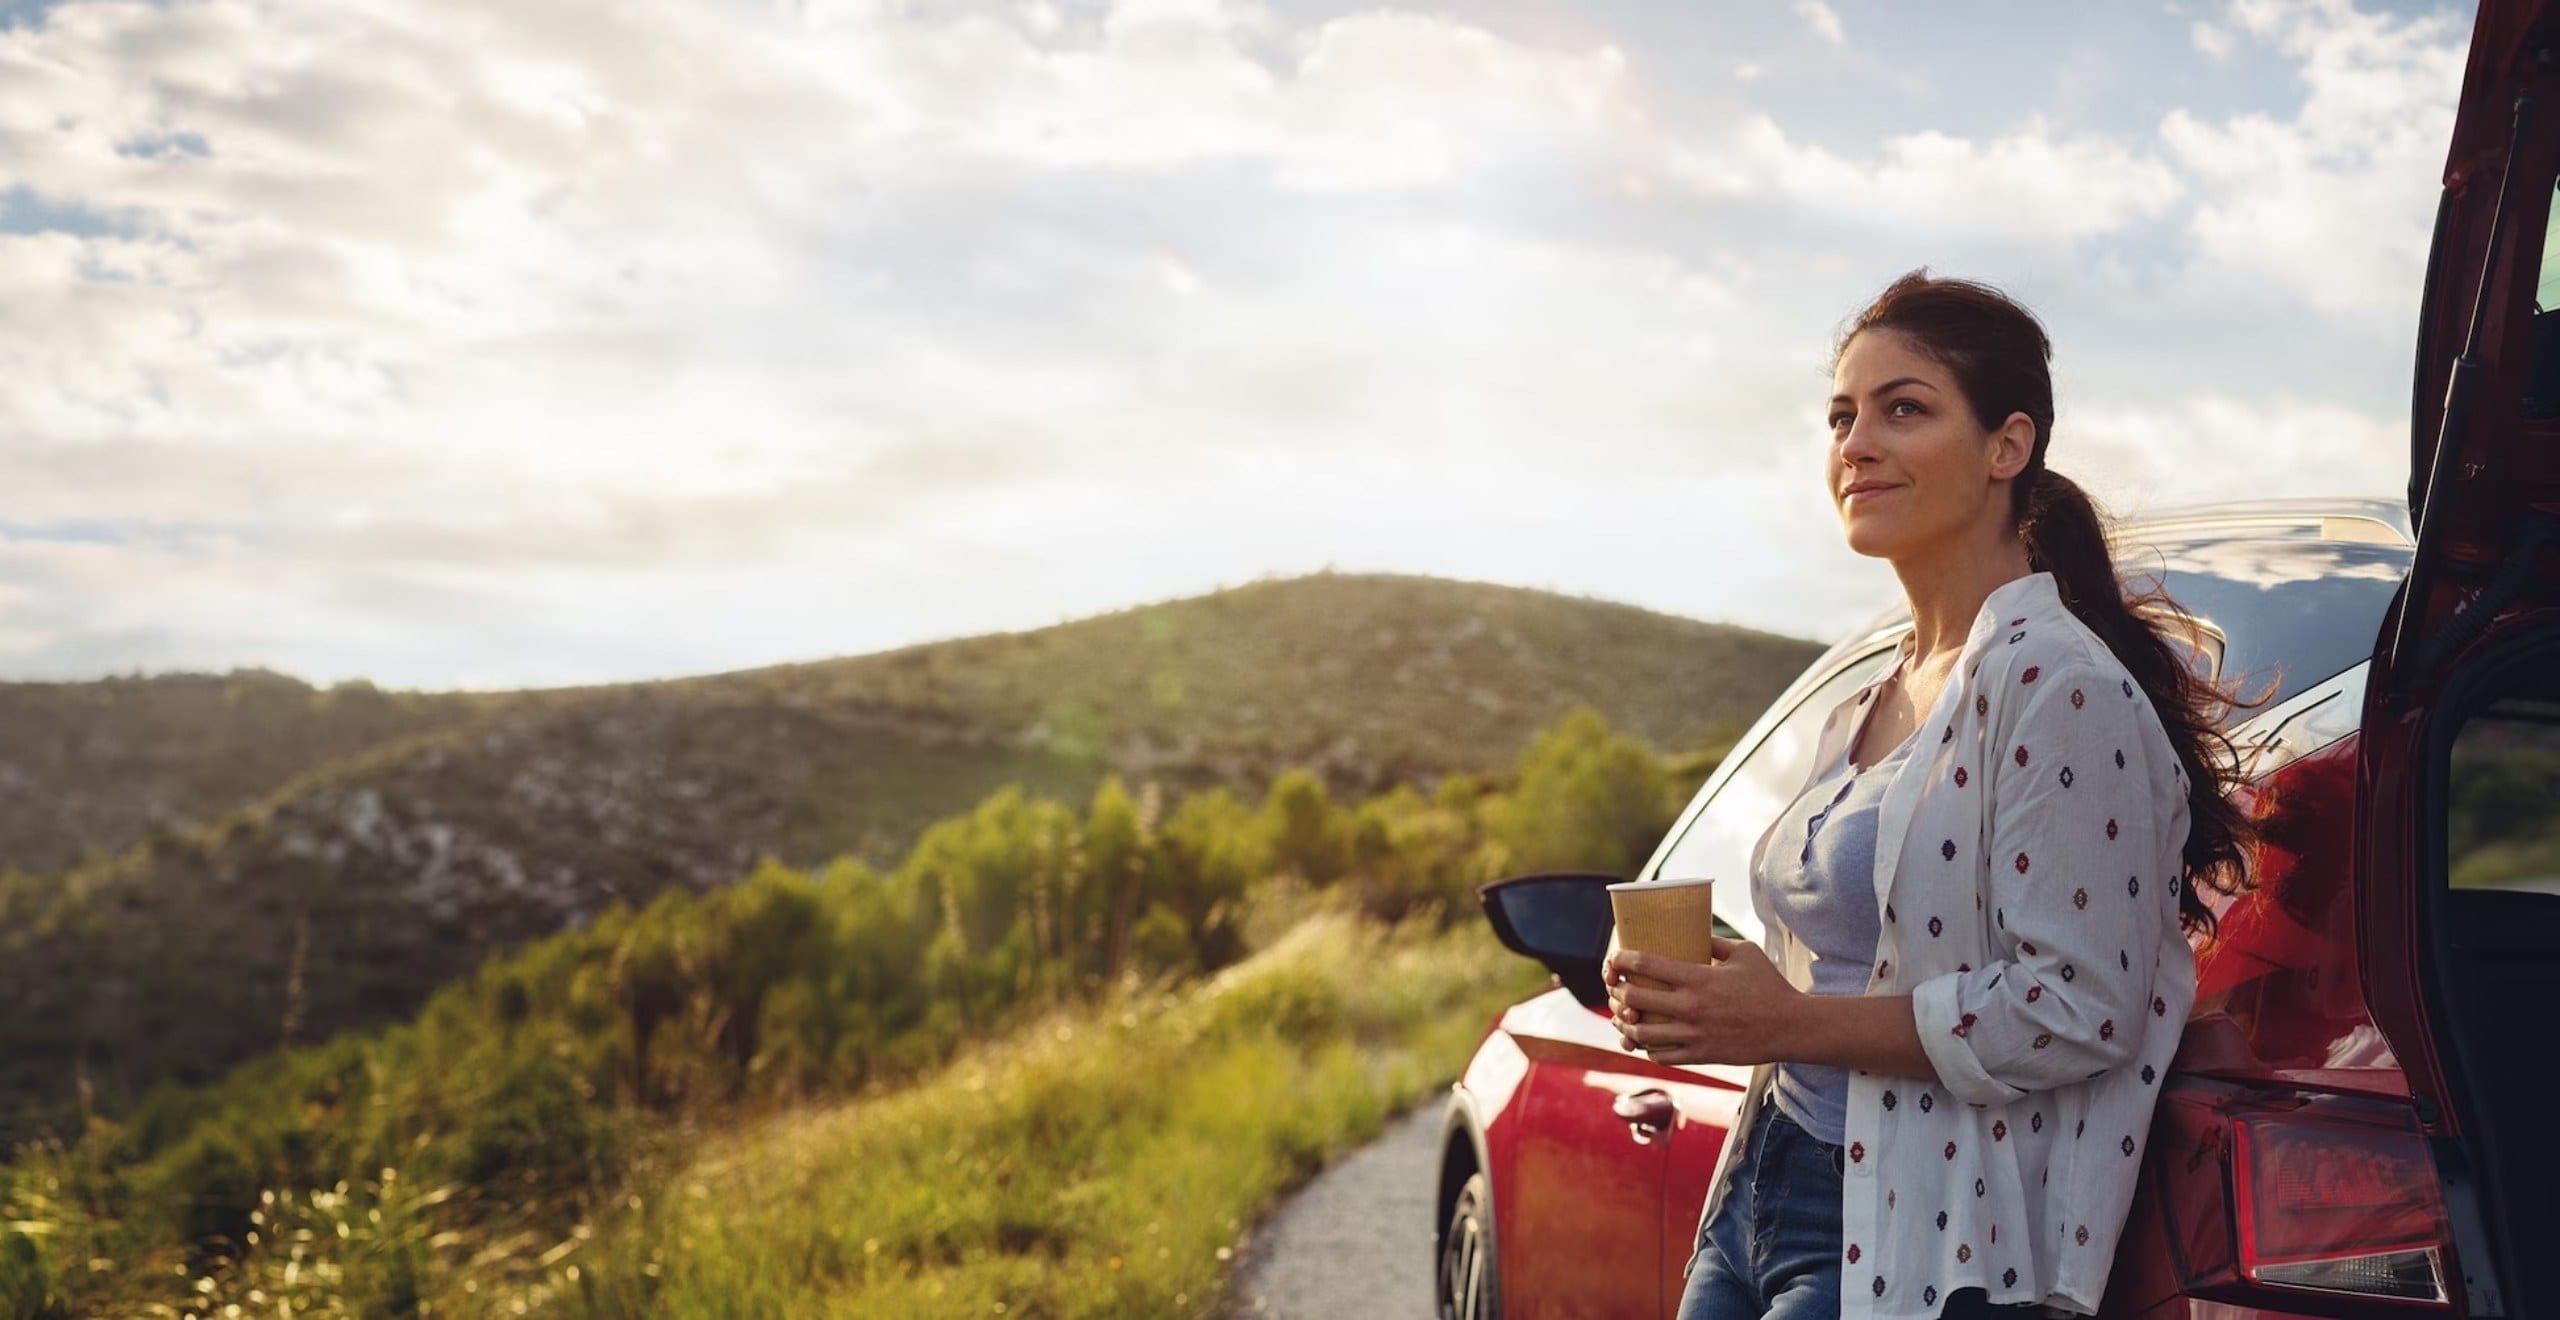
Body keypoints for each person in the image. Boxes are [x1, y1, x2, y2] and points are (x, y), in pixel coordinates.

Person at [1602, 271, 2264, 1320]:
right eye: (1841, 416)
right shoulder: (1871, 695)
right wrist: (1710, 991)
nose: (1854, 444)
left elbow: (2079, 1008)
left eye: (1902, 408)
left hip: (1918, 1231)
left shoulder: (2060, 685)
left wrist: (1793, 1022)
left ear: (2006, 447)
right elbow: (1853, 958)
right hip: (1762, 1179)